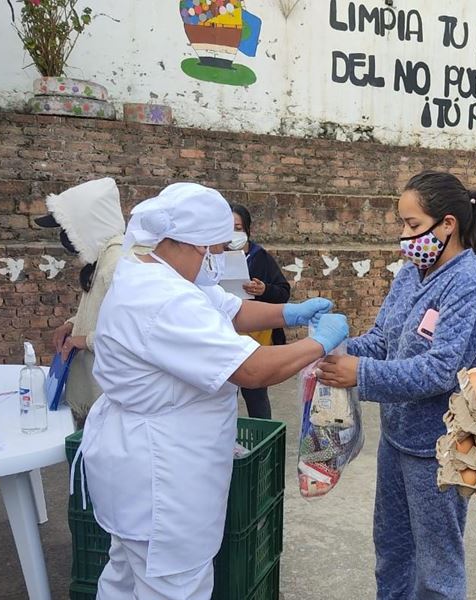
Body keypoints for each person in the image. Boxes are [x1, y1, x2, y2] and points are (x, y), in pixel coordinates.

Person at [75, 183, 349, 600]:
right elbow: (252, 370)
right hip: (164, 474)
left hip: (140, 464)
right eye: (216, 250)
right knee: (173, 586)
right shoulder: (164, 300)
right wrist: (318, 344)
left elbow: (229, 309)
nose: (219, 261)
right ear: (186, 244)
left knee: (125, 580)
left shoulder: (152, 270)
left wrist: (289, 311)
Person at [316, 171, 476, 600]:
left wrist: (360, 375)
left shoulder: (472, 283)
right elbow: (383, 340)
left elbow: (440, 370)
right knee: (392, 550)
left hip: (440, 449)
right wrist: (331, 348)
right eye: (402, 224)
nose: (404, 237)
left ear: (448, 225)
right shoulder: (411, 274)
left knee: (436, 567)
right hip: (398, 439)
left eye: (413, 226)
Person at [34, 178, 126, 428]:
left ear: (87, 224)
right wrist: (70, 324)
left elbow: (127, 333)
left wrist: (81, 340)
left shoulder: (118, 264)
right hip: (94, 387)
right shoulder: (102, 259)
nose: (64, 237)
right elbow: (100, 310)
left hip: (108, 393)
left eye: (66, 228)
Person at [231, 204, 291, 419]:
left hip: (257, 340)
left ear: (247, 229)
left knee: (256, 395)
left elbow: (283, 292)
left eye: (238, 227)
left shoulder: (260, 257)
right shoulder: (213, 257)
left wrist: (264, 289)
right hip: (225, 335)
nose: (233, 234)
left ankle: (264, 444)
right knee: (224, 396)